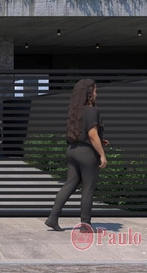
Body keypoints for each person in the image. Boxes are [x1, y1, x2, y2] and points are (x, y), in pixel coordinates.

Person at [45, 78, 109, 232]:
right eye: (95, 91)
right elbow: (92, 134)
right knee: (88, 189)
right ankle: (85, 226)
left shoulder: (75, 110)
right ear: (88, 94)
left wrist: (101, 141)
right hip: (87, 154)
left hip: (72, 150)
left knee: (69, 185)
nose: (96, 94)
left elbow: (84, 133)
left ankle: (53, 218)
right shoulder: (92, 110)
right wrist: (102, 155)